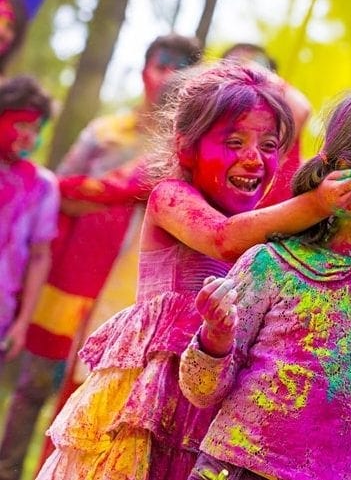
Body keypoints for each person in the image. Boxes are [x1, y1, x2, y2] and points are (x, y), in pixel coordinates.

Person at [35, 62, 351, 480]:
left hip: (212, 398)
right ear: (186, 147)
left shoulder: (265, 231)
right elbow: (223, 238)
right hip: (148, 401)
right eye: (234, 141)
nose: (254, 159)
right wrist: (317, 204)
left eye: (270, 145)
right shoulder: (170, 198)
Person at [179, 76, 351, 480]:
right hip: (233, 469)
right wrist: (216, 339)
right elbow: (200, 389)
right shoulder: (271, 266)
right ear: (346, 172)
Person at [0, 34, 203, 480]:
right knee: (33, 386)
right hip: (68, 280)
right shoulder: (106, 133)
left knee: (87, 402)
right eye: (160, 64)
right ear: (143, 70)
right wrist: (118, 192)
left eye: (178, 67)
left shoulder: (186, 156)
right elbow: (55, 195)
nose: (166, 75)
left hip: (127, 297)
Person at [0, 75, 57, 372]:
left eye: (36, 129)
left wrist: (21, 325)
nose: (29, 137)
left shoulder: (43, 186)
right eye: (22, 125)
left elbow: (39, 256)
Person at [222, 42, 312, 207]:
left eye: (257, 63)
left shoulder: (283, 105)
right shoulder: (222, 114)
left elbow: (302, 108)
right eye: (234, 63)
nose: (241, 68)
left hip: (280, 211)